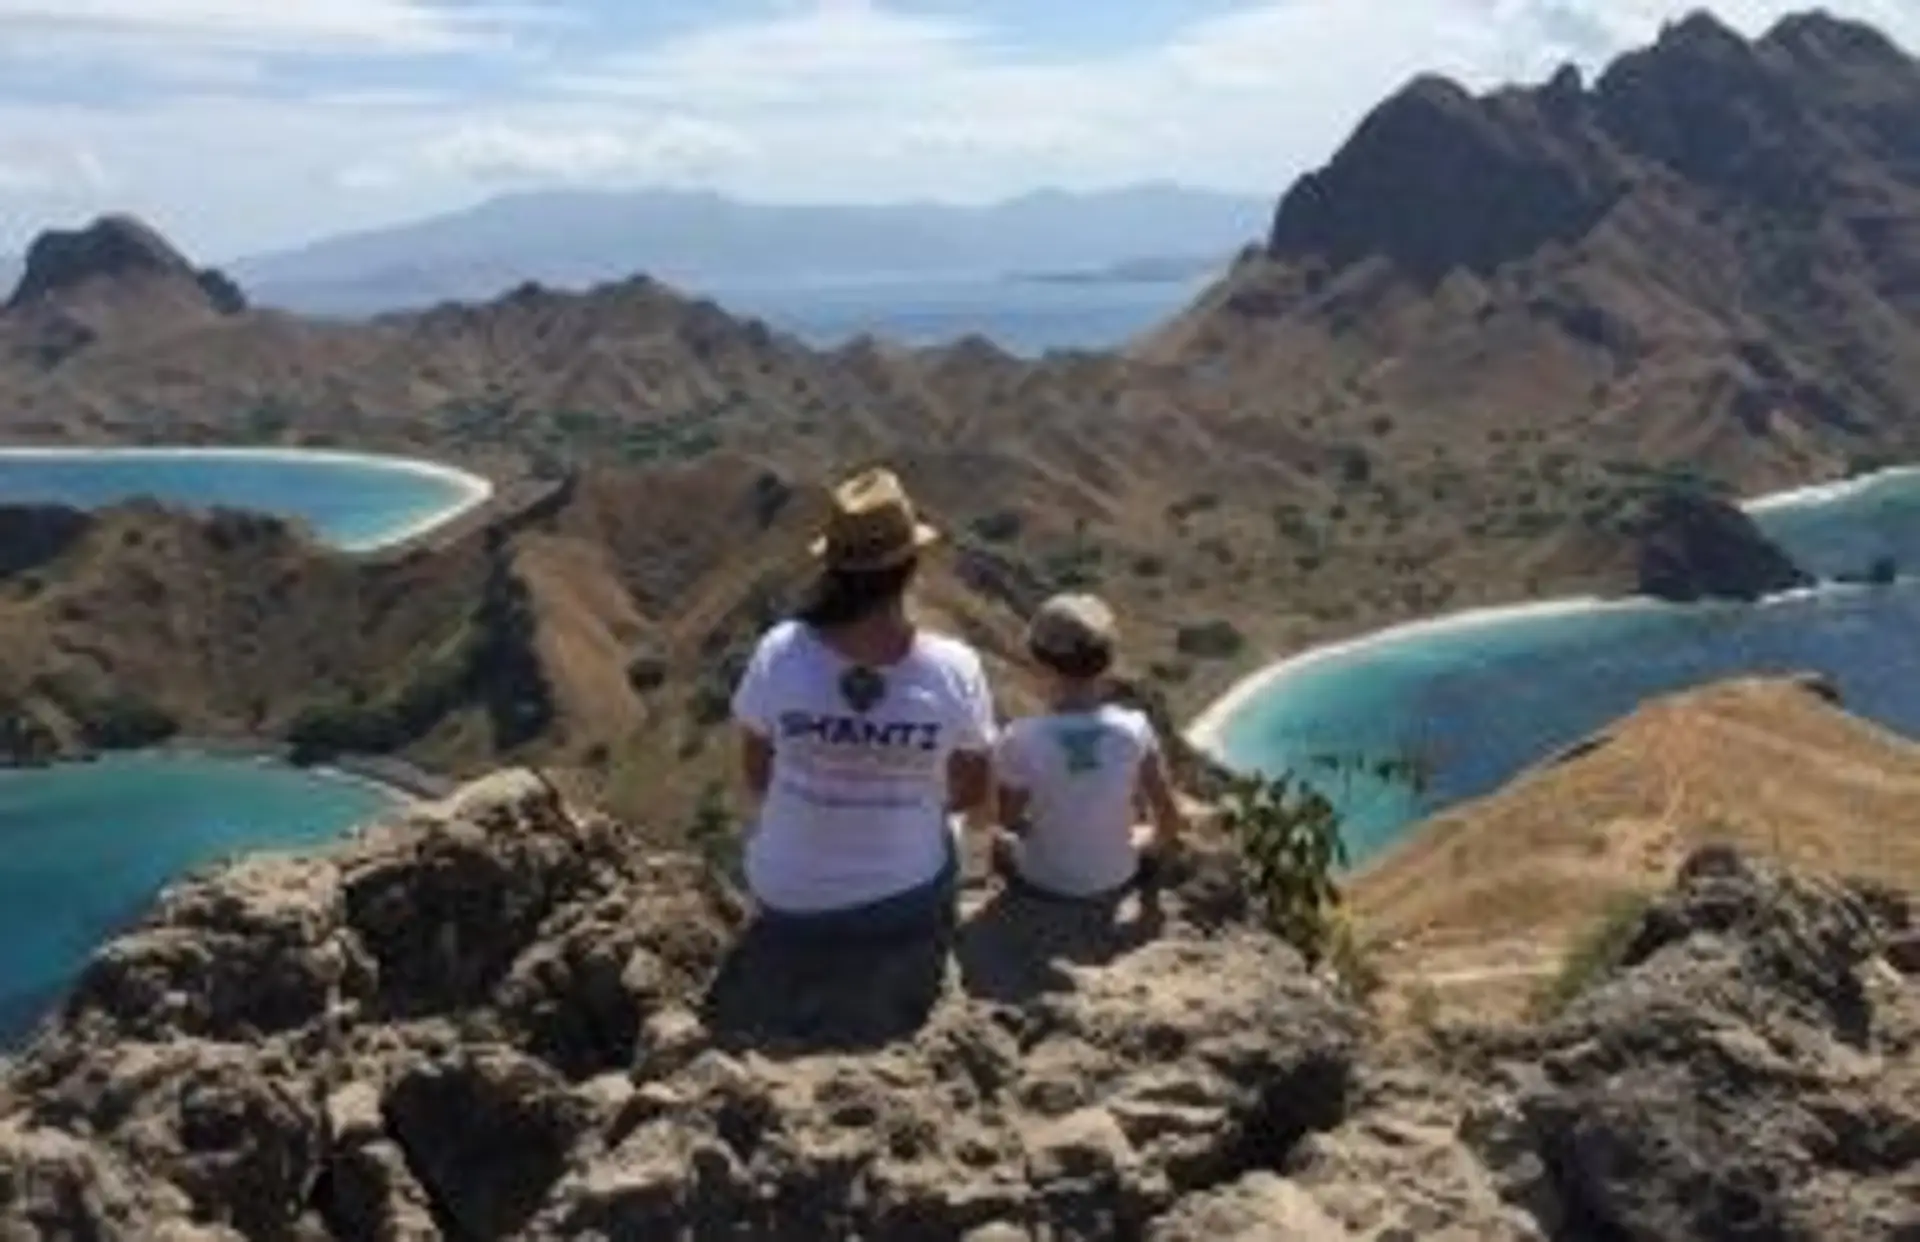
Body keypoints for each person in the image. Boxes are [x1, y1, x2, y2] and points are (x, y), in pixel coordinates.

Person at [729, 466, 996, 942]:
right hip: (900, 903)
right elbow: (972, 792)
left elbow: (756, 773)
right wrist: (895, 796)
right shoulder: (954, 669)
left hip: (785, 898)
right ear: (911, 565)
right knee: (948, 841)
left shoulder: (780, 650)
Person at [992, 593, 1189, 901]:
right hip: (1118, 874)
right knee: (1135, 826)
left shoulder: (1021, 737)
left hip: (1044, 878)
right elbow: (1169, 818)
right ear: (1108, 662)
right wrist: (1145, 842)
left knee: (998, 844)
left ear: (1039, 663)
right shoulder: (1134, 728)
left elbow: (1007, 819)